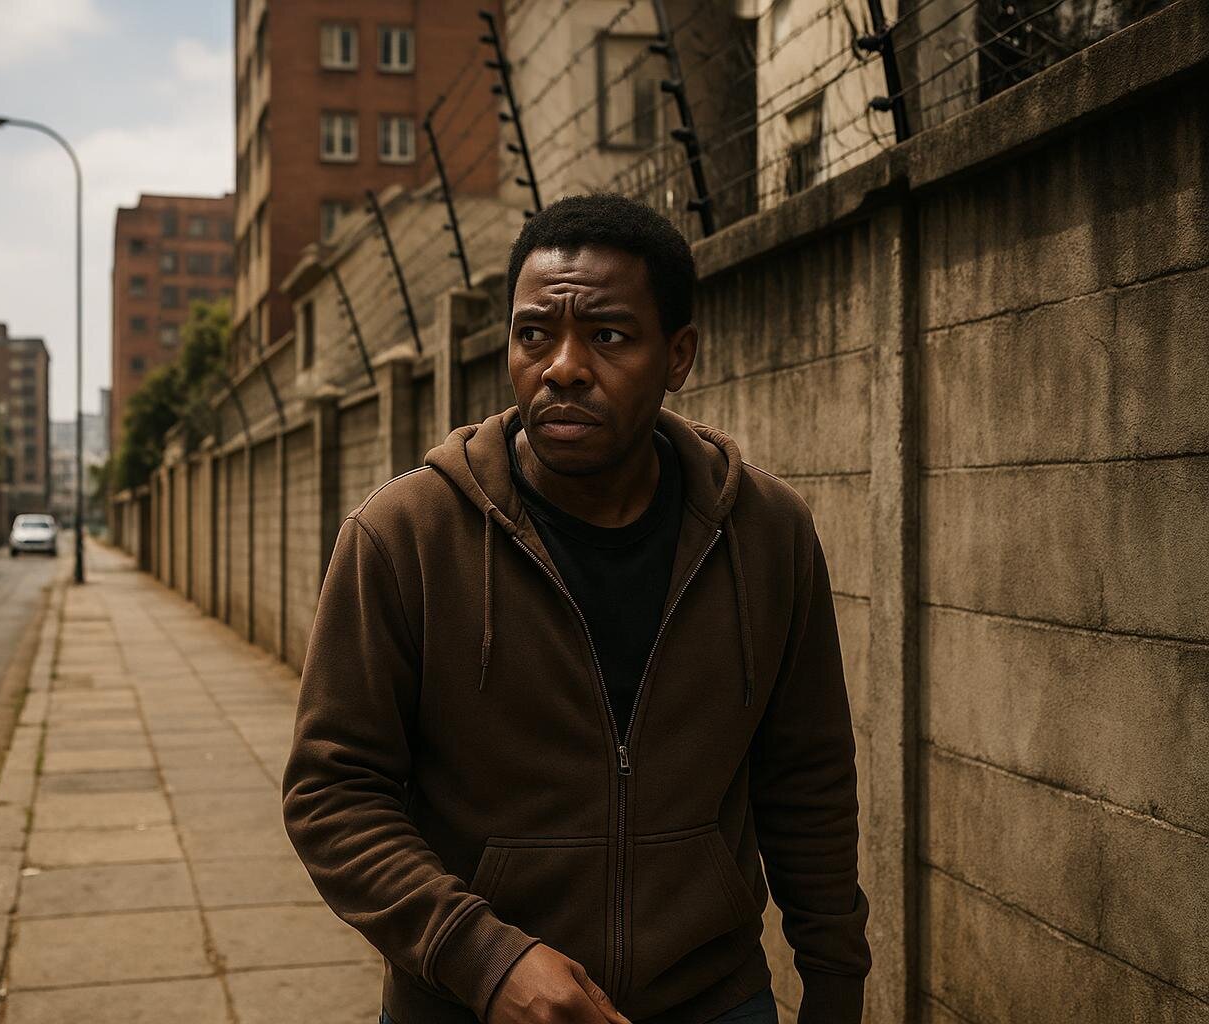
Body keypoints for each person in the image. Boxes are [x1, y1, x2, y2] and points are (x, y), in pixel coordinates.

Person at [282, 193, 869, 1024]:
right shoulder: (404, 536)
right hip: (468, 1009)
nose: (562, 366)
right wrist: (486, 959)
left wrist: (836, 985)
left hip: (712, 998)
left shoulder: (766, 534)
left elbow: (808, 778)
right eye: (534, 335)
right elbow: (332, 791)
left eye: (608, 336)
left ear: (678, 355)